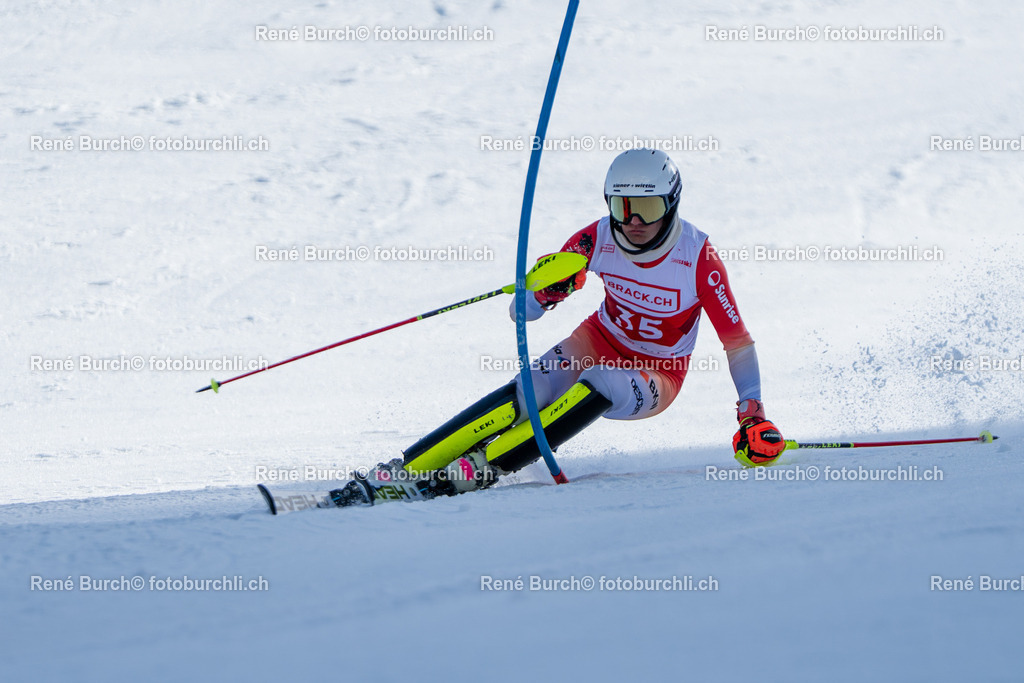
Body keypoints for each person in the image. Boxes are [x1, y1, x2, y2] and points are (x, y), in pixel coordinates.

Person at [330, 148, 785, 507]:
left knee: (598, 382)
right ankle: (405, 470)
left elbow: (738, 343)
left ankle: (475, 472)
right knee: (530, 392)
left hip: (658, 374)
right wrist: (543, 293)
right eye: (623, 206)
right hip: (597, 338)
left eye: (647, 207)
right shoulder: (596, 238)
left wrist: (753, 413)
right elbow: (520, 313)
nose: (633, 221)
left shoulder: (698, 257)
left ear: (671, 203)